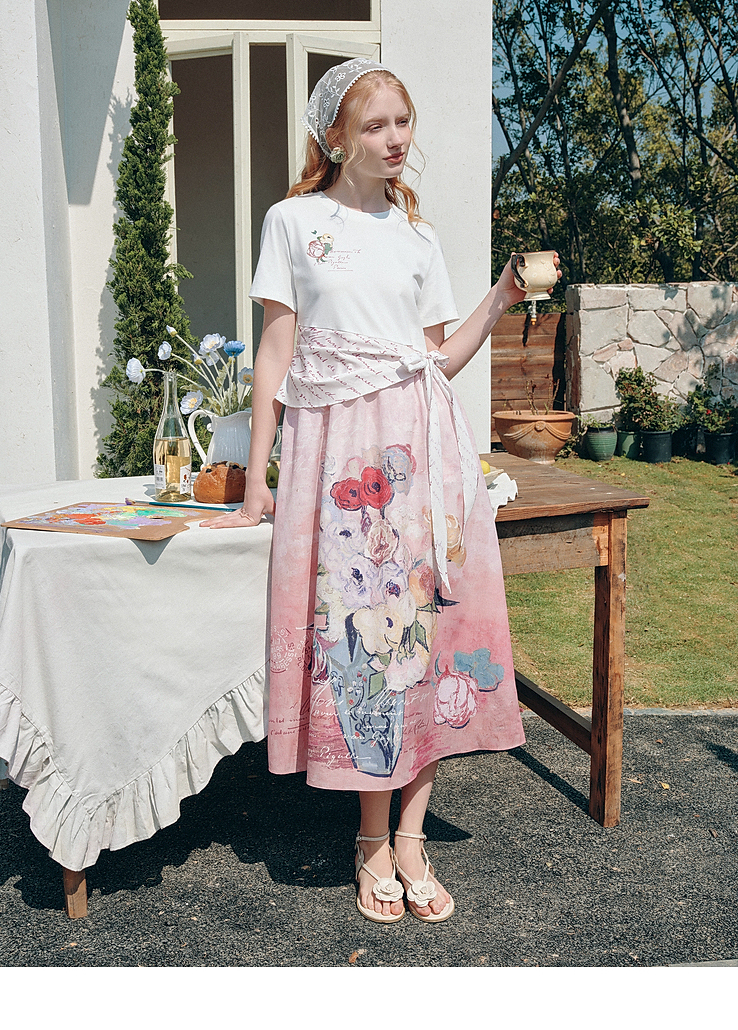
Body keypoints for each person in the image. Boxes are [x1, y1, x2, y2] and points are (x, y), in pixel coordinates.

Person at [201, 58, 561, 924]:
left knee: (425, 632)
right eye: (375, 125)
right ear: (335, 137)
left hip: (420, 452)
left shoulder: (418, 238)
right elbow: (276, 356)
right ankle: (370, 839)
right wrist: (258, 481)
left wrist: (503, 295)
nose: (396, 138)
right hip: (341, 462)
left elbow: (435, 361)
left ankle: (411, 836)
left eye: (403, 121)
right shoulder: (293, 222)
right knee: (365, 638)